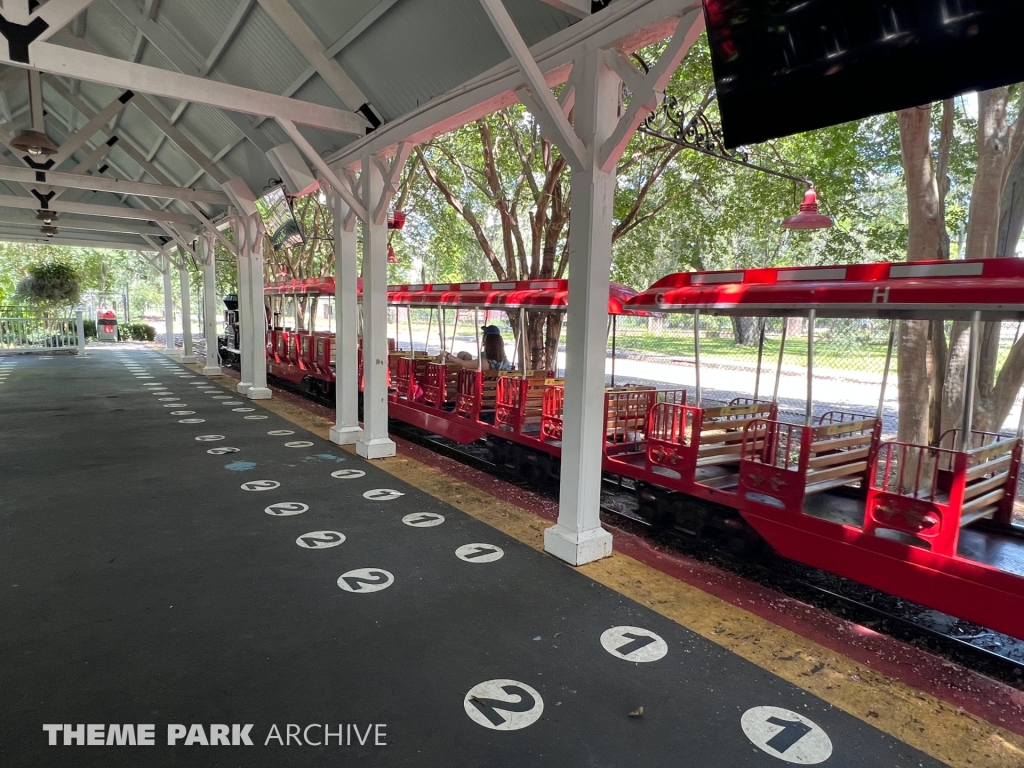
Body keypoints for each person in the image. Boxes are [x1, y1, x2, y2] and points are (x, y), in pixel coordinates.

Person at [444, 325, 512, 371]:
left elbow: (463, 363)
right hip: (502, 392)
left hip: (485, 391)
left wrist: (447, 355)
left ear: (487, 342)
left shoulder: (484, 362)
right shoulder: (506, 363)